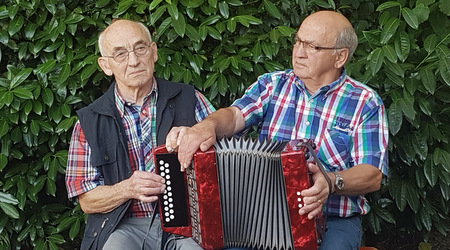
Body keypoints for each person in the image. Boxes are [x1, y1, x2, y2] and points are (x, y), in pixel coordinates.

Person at [165, 10, 388, 250]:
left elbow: (373, 174)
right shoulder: (273, 84)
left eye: (312, 46)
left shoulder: (364, 101)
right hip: (260, 215)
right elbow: (235, 115)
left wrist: (332, 182)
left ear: (340, 57)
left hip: (333, 220)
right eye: (298, 41)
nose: (299, 52)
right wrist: (207, 125)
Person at [65, 19, 215, 250]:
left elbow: (224, 162)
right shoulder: (89, 121)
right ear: (106, 65)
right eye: (121, 54)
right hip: (123, 225)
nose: (134, 61)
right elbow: (85, 198)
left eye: (140, 48)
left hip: (189, 224)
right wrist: (128, 188)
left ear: (153, 52)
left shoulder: (190, 99)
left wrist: (199, 139)